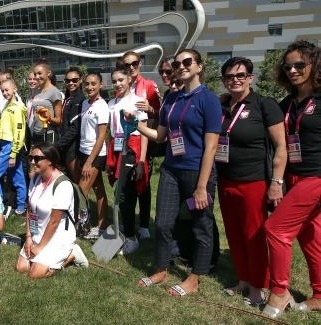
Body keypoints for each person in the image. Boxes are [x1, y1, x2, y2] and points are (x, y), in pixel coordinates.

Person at [133, 49, 221, 297]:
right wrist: (137, 126)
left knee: (200, 225)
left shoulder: (209, 100)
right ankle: (161, 268)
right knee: (162, 222)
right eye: (177, 63)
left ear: (199, 67)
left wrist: (202, 186)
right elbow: (161, 136)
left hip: (197, 171)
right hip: (171, 169)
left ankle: (194, 277)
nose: (181, 66)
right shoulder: (171, 100)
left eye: (187, 62)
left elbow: (211, 146)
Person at [215, 57, 286, 307]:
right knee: (234, 234)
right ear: (224, 81)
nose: (235, 80)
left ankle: (258, 287)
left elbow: (281, 146)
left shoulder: (264, 105)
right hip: (225, 180)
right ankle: (243, 280)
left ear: (250, 78)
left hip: (253, 181)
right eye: (229, 77)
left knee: (254, 237)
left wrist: (276, 182)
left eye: (241, 75)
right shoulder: (223, 106)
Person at [262, 40, 321, 318]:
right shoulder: (286, 103)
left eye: (300, 65)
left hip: (317, 176)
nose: (293, 70)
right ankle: (320, 295)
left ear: (314, 65)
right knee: (311, 237)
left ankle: (279, 291)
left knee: (275, 229)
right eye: (288, 66)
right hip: (293, 175)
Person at [15, 142, 88, 279]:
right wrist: (29, 238)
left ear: (50, 161)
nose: (32, 162)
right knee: (21, 268)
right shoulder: (35, 178)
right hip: (37, 231)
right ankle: (43, 256)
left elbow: (54, 221)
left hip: (57, 236)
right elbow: (30, 209)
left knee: (34, 274)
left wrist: (39, 247)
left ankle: (72, 254)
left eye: (37, 159)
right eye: (31, 157)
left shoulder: (63, 185)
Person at [105, 68, 150, 254]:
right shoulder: (112, 103)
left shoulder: (137, 102)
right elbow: (110, 131)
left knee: (125, 193)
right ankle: (126, 224)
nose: (117, 84)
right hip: (117, 147)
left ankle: (131, 238)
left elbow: (145, 133)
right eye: (114, 81)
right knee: (119, 191)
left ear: (129, 80)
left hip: (133, 148)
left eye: (121, 80)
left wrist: (141, 161)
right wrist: (110, 157)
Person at [120, 51, 162, 241]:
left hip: (147, 140)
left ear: (140, 63)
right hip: (127, 142)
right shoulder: (122, 85)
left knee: (143, 181)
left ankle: (144, 224)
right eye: (127, 64)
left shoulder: (150, 85)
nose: (131, 67)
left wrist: (151, 109)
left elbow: (163, 114)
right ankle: (127, 217)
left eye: (134, 63)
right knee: (126, 181)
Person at [0, 79, 27, 215]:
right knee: (17, 176)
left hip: (10, 146)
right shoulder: (7, 106)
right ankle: (21, 206)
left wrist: (13, 153)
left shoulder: (16, 108)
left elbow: (19, 133)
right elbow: (6, 126)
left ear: (14, 89)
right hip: (6, 144)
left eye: (7, 90)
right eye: (2, 90)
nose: (4, 93)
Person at [79, 73, 109, 240]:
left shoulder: (102, 106)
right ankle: (102, 225)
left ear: (100, 85)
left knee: (82, 191)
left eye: (93, 84)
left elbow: (101, 137)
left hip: (95, 154)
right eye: (87, 84)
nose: (89, 87)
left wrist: (89, 162)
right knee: (99, 190)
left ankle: (83, 227)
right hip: (84, 151)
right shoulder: (84, 103)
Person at [55, 67, 86, 182]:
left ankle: (79, 200)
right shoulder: (69, 97)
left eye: (74, 80)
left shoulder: (79, 99)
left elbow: (75, 128)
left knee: (76, 181)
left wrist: (59, 144)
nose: (71, 83)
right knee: (68, 179)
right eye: (68, 81)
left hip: (73, 147)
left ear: (80, 80)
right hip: (66, 146)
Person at [28, 62, 63, 144]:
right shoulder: (36, 92)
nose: (37, 77)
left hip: (49, 134)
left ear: (48, 73)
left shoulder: (54, 92)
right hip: (36, 133)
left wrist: (48, 117)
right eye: (35, 74)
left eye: (39, 73)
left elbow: (59, 121)